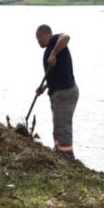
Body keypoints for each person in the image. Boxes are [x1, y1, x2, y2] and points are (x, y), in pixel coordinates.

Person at [35, 24, 78, 160]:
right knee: (58, 125)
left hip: (64, 92)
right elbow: (58, 74)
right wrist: (45, 87)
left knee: (62, 126)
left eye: (37, 38)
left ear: (43, 34)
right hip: (60, 91)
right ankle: (59, 152)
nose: (38, 42)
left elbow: (66, 37)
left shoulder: (54, 41)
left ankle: (67, 156)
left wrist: (53, 53)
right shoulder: (50, 49)